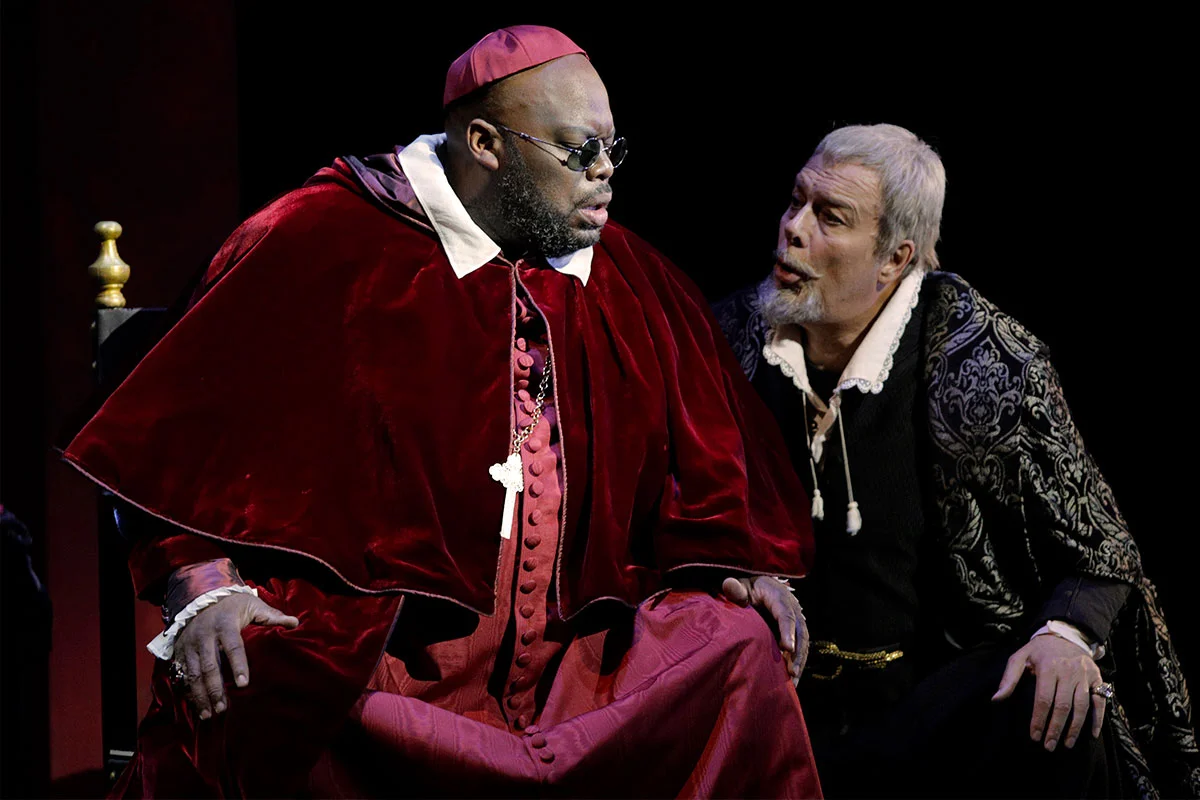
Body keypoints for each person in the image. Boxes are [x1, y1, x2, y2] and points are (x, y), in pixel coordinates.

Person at [63, 26, 823, 798]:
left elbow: (713, 460)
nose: (605, 174)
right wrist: (202, 580)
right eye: (578, 150)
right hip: (382, 666)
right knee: (254, 682)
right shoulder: (320, 237)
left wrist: (738, 564)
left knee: (740, 647)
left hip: (582, 671)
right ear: (485, 143)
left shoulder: (634, 277)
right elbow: (174, 437)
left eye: (612, 149)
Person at [714, 123, 1199, 798]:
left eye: (831, 218)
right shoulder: (727, 342)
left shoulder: (987, 360)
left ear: (895, 258)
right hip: (771, 700)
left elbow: (1100, 549)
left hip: (928, 711)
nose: (793, 229)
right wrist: (734, 573)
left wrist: (1064, 636)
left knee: (1054, 704)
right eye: (796, 201)